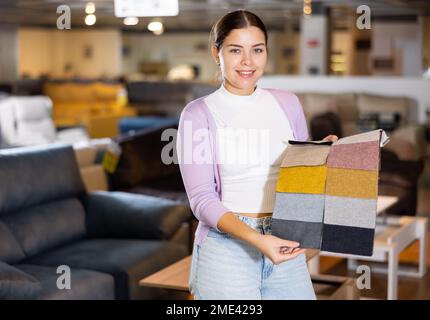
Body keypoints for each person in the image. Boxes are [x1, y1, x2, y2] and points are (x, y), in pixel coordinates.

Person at [176, 9, 338, 300]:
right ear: (217, 53)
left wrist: (320, 155)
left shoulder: (288, 103)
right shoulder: (197, 114)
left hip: (284, 237)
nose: (248, 62)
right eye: (235, 50)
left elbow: (298, 177)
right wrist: (257, 240)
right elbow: (201, 199)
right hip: (226, 249)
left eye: (257, 50)